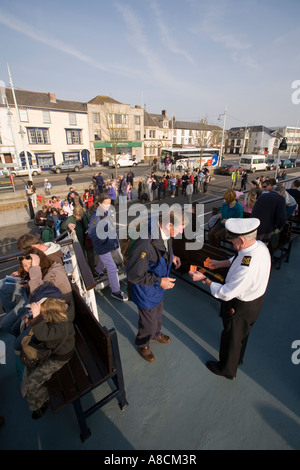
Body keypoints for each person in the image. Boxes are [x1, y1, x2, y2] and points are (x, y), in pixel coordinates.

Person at [189, 217, 271, 380]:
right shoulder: (258, 247)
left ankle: (226, 369)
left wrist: (204, 279)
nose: (232, 243)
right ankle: (237, 359)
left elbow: (226, 293)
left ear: (241, 239)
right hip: (255, 302)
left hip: (241, 304)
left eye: (233, 240)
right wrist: (219, 264)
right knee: (242, 334)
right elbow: (238, 258)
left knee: (231, 336)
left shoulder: (247, 268)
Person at [127, 211, 185, 362]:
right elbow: (134, 275)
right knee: (149, 322)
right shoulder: (145, 244)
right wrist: (160, 281)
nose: (182, 231)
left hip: (157, 287)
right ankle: (143, 343)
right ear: (169, 225)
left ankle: (155, 334)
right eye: (180, 227)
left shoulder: (164, 234)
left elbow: (162, 250)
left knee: (158, 313)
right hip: (146, 289)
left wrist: (172, 257)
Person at [22, 295, 75, 419]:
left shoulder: (61, 327)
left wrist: (36, 318)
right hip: (55, 349)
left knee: (32, 382)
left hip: (60, 357)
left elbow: (43, 335)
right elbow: (45, 327)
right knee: (30, 365)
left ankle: (40, 403)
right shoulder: (60, 315)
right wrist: (32, 317)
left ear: (51, 315)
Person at [88, 195, 128, 301]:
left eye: (109, 203)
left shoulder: (103, 212)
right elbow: (92, 233)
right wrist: (105, 240)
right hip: (104, 245)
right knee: (112, 267)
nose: (108, 205)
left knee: (105, 258)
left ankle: (98, 270)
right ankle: (116, 291)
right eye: (106, 203)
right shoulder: (97, 216)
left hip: (107, 244)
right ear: (100, 203)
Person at [252, 178, 286, 243]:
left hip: (254, 226)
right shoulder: (280, 199)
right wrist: (279, 227)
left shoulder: (262, 196)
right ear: (282, 193)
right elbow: (281, 216)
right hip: (265, 231)